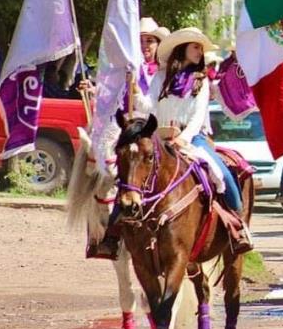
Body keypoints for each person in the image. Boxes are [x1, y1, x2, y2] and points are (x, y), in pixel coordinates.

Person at [91, 27, 253, 259]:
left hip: (192, 139)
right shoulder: (161, 77)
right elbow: (149, 107)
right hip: (158, 136)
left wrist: (183, 139)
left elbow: (197, 117)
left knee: (222, 173)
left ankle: (238, 227)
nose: (200, 52)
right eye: (196, 47)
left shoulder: (201, 81)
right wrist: (135, 92)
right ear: (183, 48)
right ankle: (112, 234)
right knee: (130, 176)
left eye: (201, 49)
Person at [138, 17, 170, 92]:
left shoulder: (165, 70)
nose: (144, 45)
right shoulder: (131, 69)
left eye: (149, 41)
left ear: (158, 44)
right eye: (140, 41)